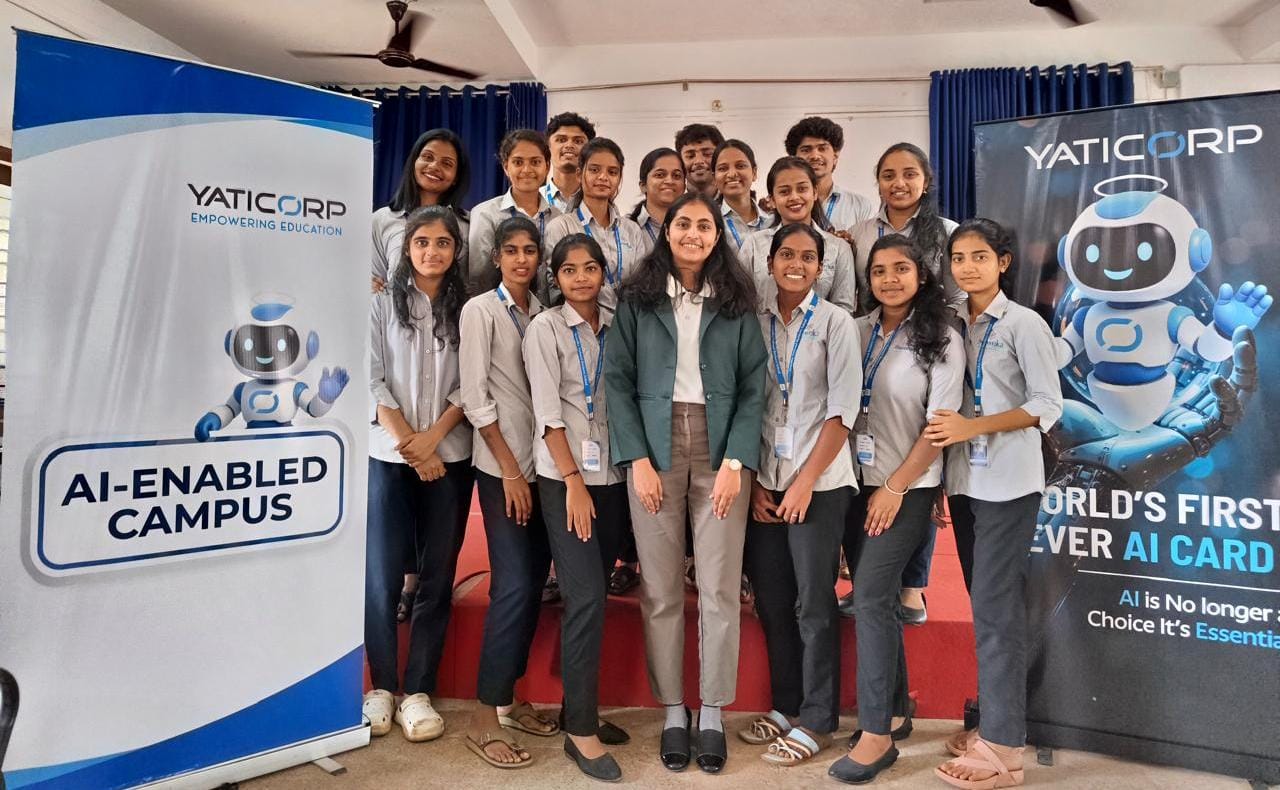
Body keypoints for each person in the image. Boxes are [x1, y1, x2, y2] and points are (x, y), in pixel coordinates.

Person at [604, 192, 767, 774]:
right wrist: (637, 459)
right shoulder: (637, 298)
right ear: (666, 230)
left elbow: (754, 387)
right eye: (683, 224)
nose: (693, 233)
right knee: (661, 586)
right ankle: (674, 708)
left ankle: (713, 710)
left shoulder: (736, 299)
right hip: (655, 445)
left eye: (704, 225)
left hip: (721, 448)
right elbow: (616, 380)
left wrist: (736, 463)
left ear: (717, 235)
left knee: (719, 586)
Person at [923, 219, 1062, 790]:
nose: (967, 267)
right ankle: (994, 723)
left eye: (979, 256)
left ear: (1003, 262)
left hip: (1008, 482)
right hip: (965, 481)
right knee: (987, 607)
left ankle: (1005, 747)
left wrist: (971, 427)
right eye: (958, 258)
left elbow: (1046, 405)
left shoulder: (1024, 323)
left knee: (996, 609)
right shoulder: (952, 321)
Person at [829, 234, 963, 785]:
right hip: (854, 483)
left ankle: (876, 736)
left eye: (900, 268)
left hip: (906, 488)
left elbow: (940, 425)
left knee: (870, 596)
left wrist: (897, 486)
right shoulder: (856, 330)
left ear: (921, 275)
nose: (889, 279)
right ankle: (898, 709)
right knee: (877, 597)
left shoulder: (941, 337)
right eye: (879, 270)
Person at [739, 224, 860, 767]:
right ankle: (786, 704)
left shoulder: (836, 322)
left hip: (820, 483)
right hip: (767, 481)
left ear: (820, 267)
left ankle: (818, 718)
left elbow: (843, 411)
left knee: (813, 602)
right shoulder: (755, 321)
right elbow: (748, 402)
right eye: (786, 254)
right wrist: (757, 482)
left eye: (808, 257)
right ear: (770, 261)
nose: (796, 264)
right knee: (772, 599)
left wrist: (805, 481)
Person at [524, 234, 631, 782]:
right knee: (585, 596)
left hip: (613, 476)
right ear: (557, 278)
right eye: (570, 270)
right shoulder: (545, 328)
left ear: (603, 273)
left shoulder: (618, 322)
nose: (582, 278)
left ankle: (576, 709)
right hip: (567, 481)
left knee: (597, 594)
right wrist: (572, 481)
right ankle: (580, 733)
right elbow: (548, 415)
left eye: (591, 268)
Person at [840, 142, 962, 622]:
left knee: (918, 467)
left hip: (928, 343)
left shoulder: (945, 232)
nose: (899, 183)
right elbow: (857, 290)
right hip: (875, 344)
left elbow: (957, 297)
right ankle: (868, 580)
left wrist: (934, 338)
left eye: (909, 174)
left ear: (926, 181)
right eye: (888, 174)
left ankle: (912, 587)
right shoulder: (861, 232)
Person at [365, 206, 474, 743]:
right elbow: (371, 378)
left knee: (436, 577)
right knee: (382, 576)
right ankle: (382, 686)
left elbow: (472, 383)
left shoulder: (468, 309)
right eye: (422, 242)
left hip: (448, 456)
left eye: (443, 243)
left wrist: (433, 440)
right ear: (406, 249)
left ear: (456, 251)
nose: (432, 251)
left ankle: (419, 691)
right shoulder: (380, 304)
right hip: (389, 454)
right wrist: (411, 442)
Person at [459, 215, 559, 769]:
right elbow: (476, 399)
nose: (522, 259)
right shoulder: (481, 310)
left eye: (530, 251)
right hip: (504, 470)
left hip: (542, 467)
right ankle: (482, 717)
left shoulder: (543, 314)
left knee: (532, 585)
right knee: (515, 585)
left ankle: (511, 700)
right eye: (512, 250)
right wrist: (511, 472)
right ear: (496, 257)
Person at [737, 157, 857, 314]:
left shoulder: (839, 248)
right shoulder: (754, 245)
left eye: (802, 189)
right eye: (784, 191)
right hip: (761, 330)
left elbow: (843, 309)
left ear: (814, 193)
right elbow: (741, 302)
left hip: (822, 330)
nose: (794, 197)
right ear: (772, 200)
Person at [542, 138, 647, 307]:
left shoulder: (631, 230)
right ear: (579, 174)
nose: (603, 177)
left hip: (628, 319)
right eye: (594, 170)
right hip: (580, 319)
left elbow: (641, 283)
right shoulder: (561, 227)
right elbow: (555, 288)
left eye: (612, 172)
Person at [373, 128, 471, 291]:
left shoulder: (469, 225)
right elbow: (375, 283)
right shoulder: (381, 220)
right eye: (428, 157)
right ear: (414, 161)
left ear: (456, 177)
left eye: (447, 163)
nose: (434, 166)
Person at [469, 129, 561, 294]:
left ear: (547, 167)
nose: (526, 170)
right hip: (498, 305)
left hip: (550, 307)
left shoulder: (558, 218)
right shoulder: (485, 214)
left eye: (535, 162)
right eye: (518, 162)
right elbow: (478, 278)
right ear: (506, 167)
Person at [784, 116, 875, 234]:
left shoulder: (859, 206)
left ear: (835, 157)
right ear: (793, 159)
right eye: (806, 150)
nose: (815, 156)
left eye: (822, 149)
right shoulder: (783, 204)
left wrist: (847, 243)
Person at [714, 139, 774, 253]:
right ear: (714, 178)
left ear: (754, 173)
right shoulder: (712, 223)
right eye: (723, 168)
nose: (732, 174)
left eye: (740, 166)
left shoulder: (772, 223)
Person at [630, 147, 686, 257]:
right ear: (643, 186)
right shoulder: (626, 229)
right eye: (660, 175)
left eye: (676, 176)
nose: (669, 181)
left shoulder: (695, 228)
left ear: (684, 186)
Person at [544, 112, 597, 212]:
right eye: (561, 140)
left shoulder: (599, 201)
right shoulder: (534, 198)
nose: (569, 145)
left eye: (578, 141)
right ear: (548, 148)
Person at [675, 123, 725, 199]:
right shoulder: (670, 202)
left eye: (707, 154)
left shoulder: (735, 200)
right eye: (690, 156)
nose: (698, 161)